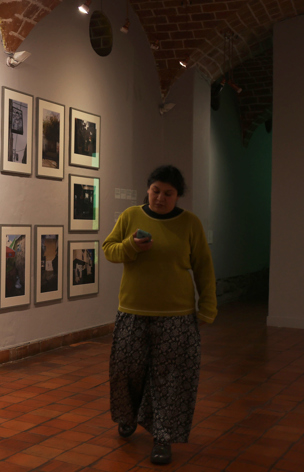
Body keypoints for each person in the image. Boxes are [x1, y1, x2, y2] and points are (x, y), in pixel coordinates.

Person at [102, 165, 216, 465]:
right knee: (126, 369)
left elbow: (204, 267)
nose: (160, 198)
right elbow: (108, 250)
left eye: (168, 193)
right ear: (148, 189)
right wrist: (131, 246)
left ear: (178, 196)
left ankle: (163, 437)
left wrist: (208, 306)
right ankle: (127, 417)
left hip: (176, 316)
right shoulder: (130, 216)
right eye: (156, 190)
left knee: (170, 379)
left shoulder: (190, 223)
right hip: (132, 311)